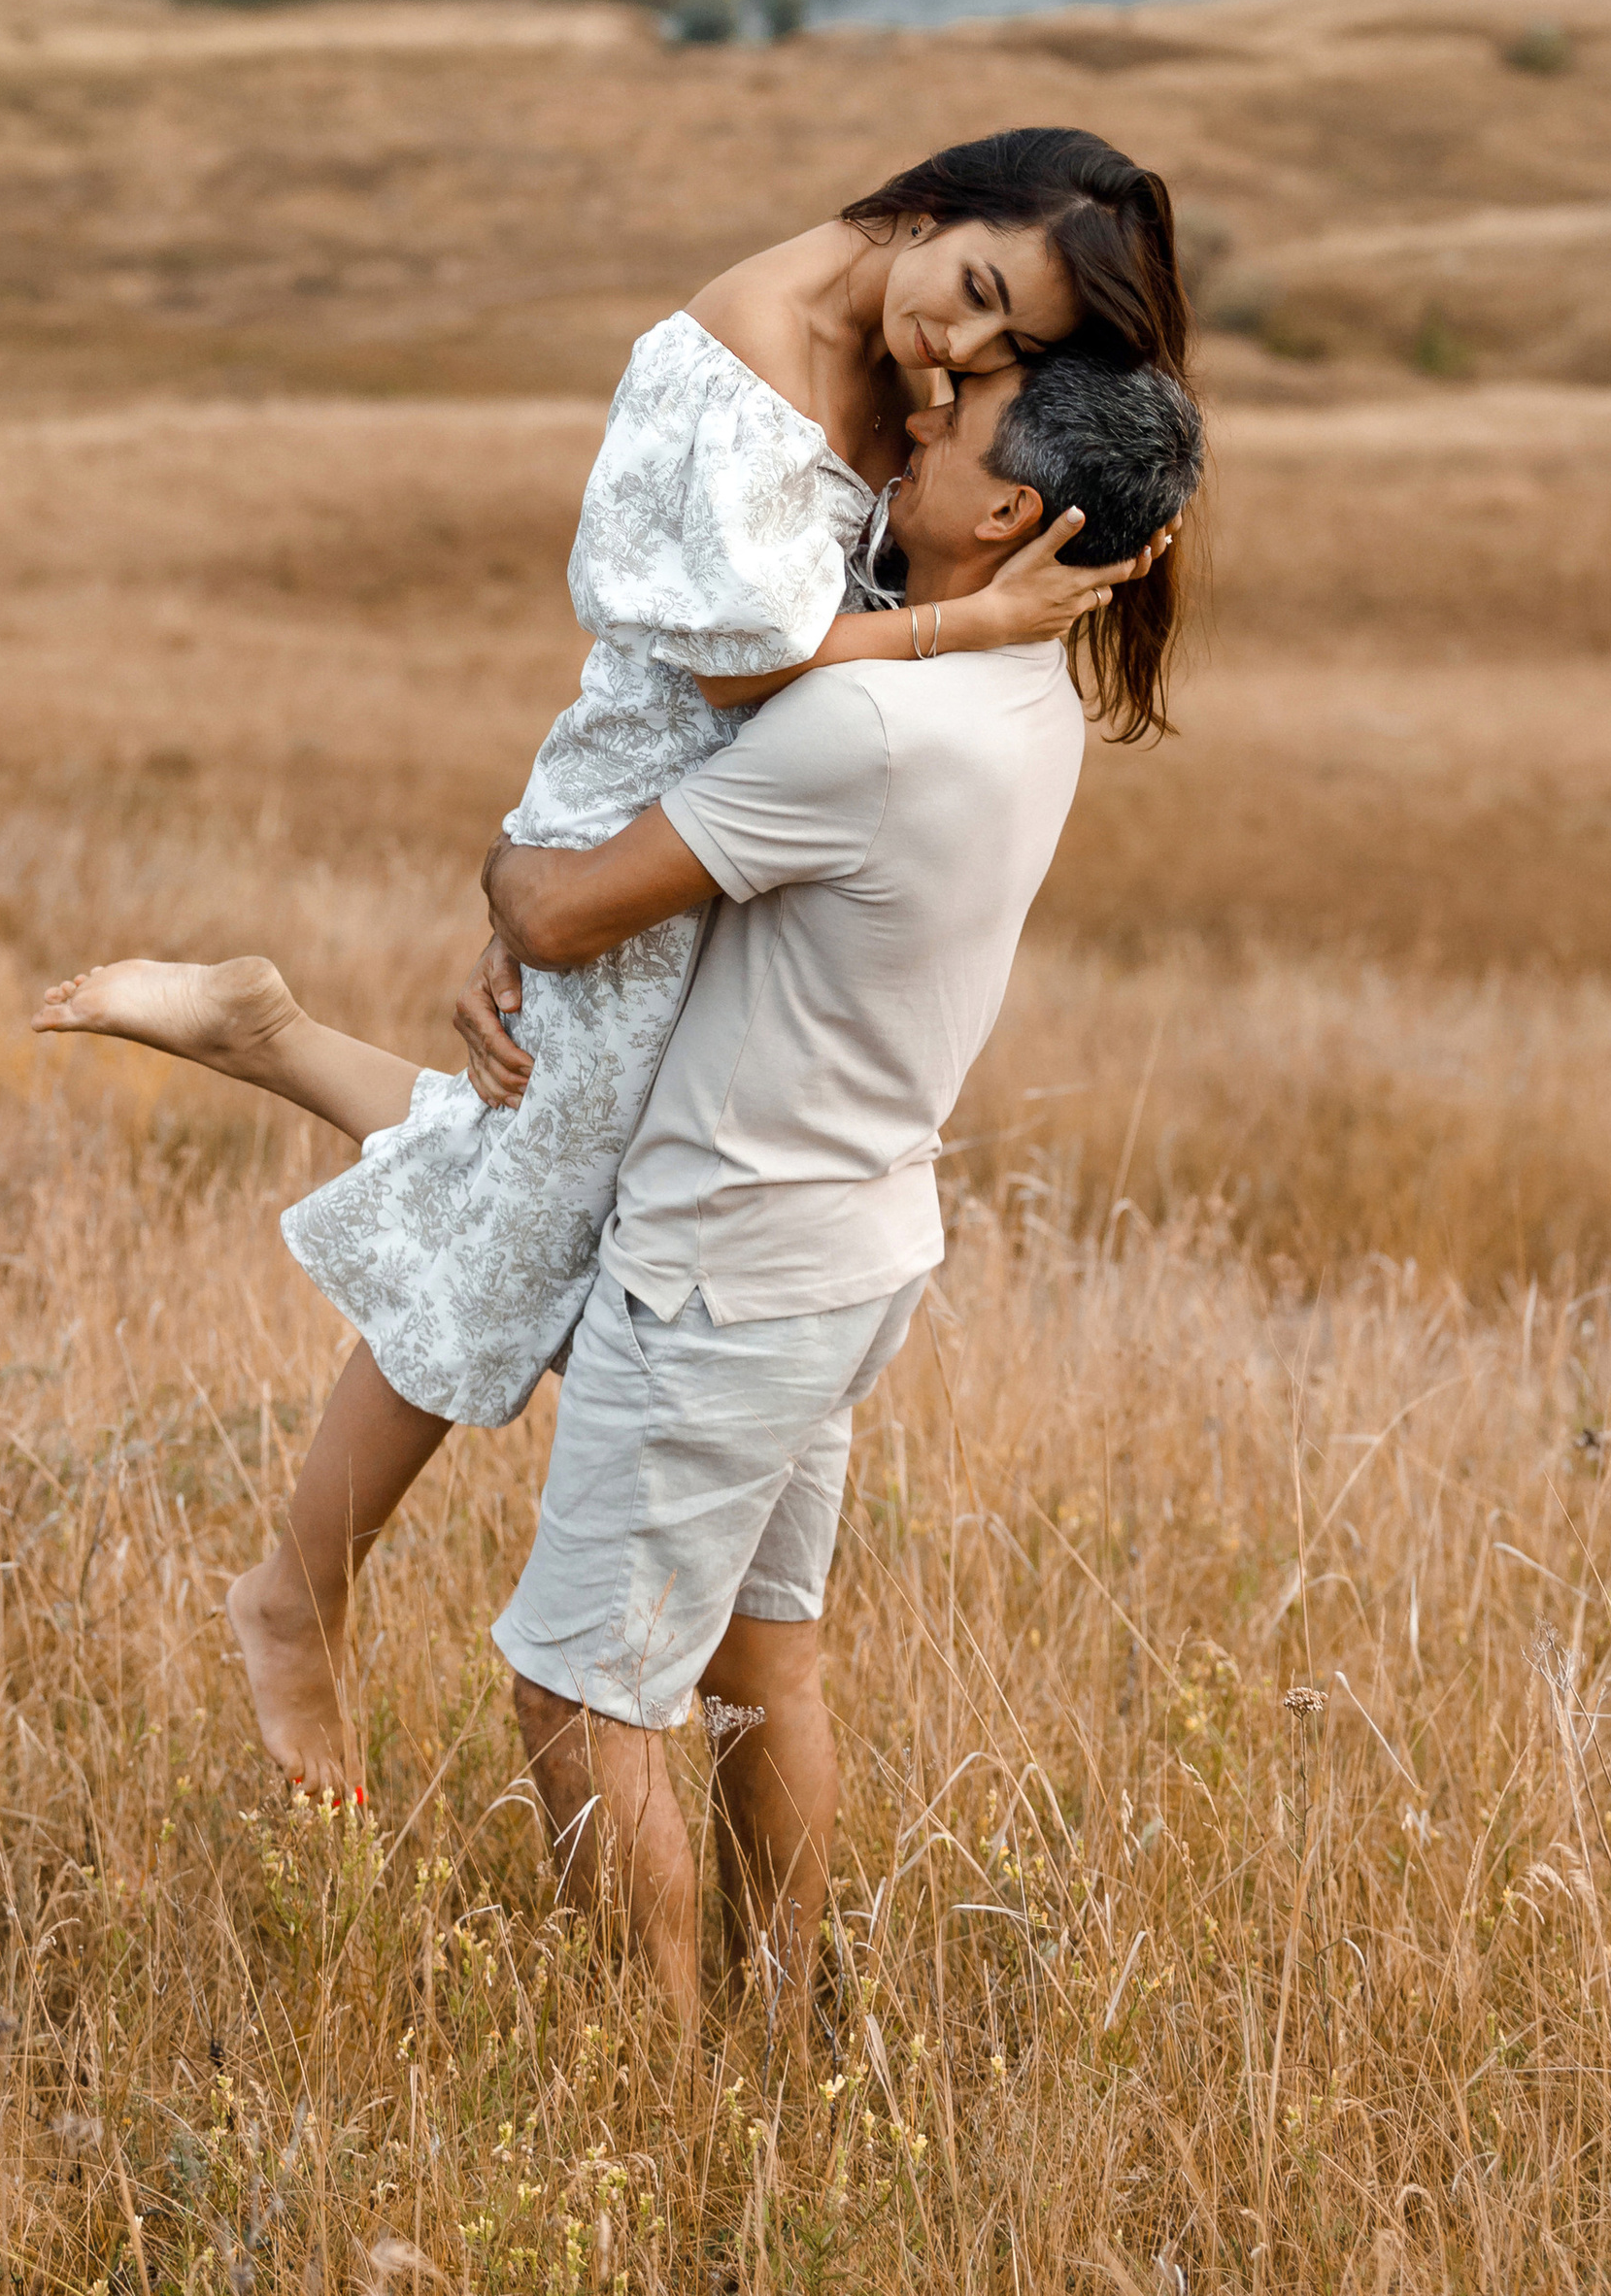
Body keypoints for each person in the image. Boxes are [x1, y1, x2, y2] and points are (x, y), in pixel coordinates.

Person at [31, 129, 1191, 1797]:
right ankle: (294, 1599)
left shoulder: (897, 360)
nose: (960, 355)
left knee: (558, 1197)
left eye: (1007, 352)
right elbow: (745, 681)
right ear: (929, 214)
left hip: (749, 838)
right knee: (522, 1229)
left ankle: (262, 1032)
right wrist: (971, 627)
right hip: (663, 818)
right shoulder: (742, 351)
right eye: (973, 294)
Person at [473, 346, 1207, 2030]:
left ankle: (658, 2112)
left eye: (955, 426)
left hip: (724, 1272)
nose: (916, 422)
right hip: (851, 1252)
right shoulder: (1027, 696)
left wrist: (500, 866)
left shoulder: (877, 719)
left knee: (580, 1702)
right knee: (759, 1662)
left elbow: (565, 914)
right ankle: (794, 2025)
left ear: (1013, 511)